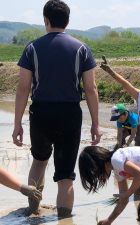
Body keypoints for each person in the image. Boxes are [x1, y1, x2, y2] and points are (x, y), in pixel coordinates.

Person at [12, 0, 101, 217]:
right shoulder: (81, 48)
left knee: (39, 161)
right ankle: (64, 219)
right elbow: (90, 89)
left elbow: (23, 88)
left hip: (41, 113)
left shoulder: (32, 48)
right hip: (70, 114)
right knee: (65, 176)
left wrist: (16, 124)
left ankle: (33, 211)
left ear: (45, 20)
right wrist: (96, 124)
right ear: (68, 21)